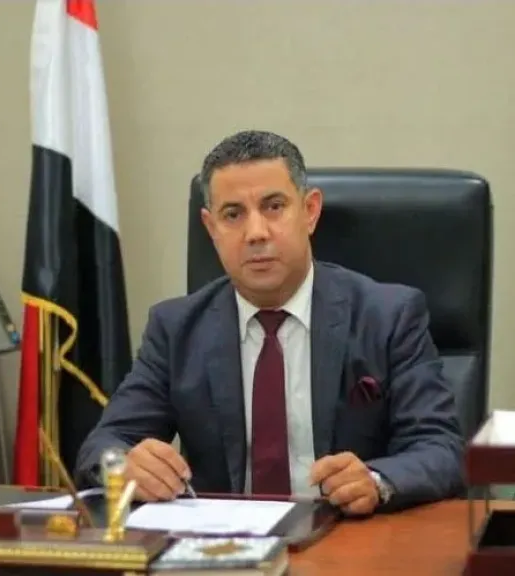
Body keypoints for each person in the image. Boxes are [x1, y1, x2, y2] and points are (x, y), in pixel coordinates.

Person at [74, 130, 464, 515]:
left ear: (310, 211)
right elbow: (105, 443)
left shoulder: (388, 316)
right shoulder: (176, 329)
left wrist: (377, 481)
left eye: (274, 206)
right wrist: (122, 466)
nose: (256, 233)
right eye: (233, 214)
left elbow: (441, 448)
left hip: (347, 537)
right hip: (224, 544)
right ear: (211, 228)